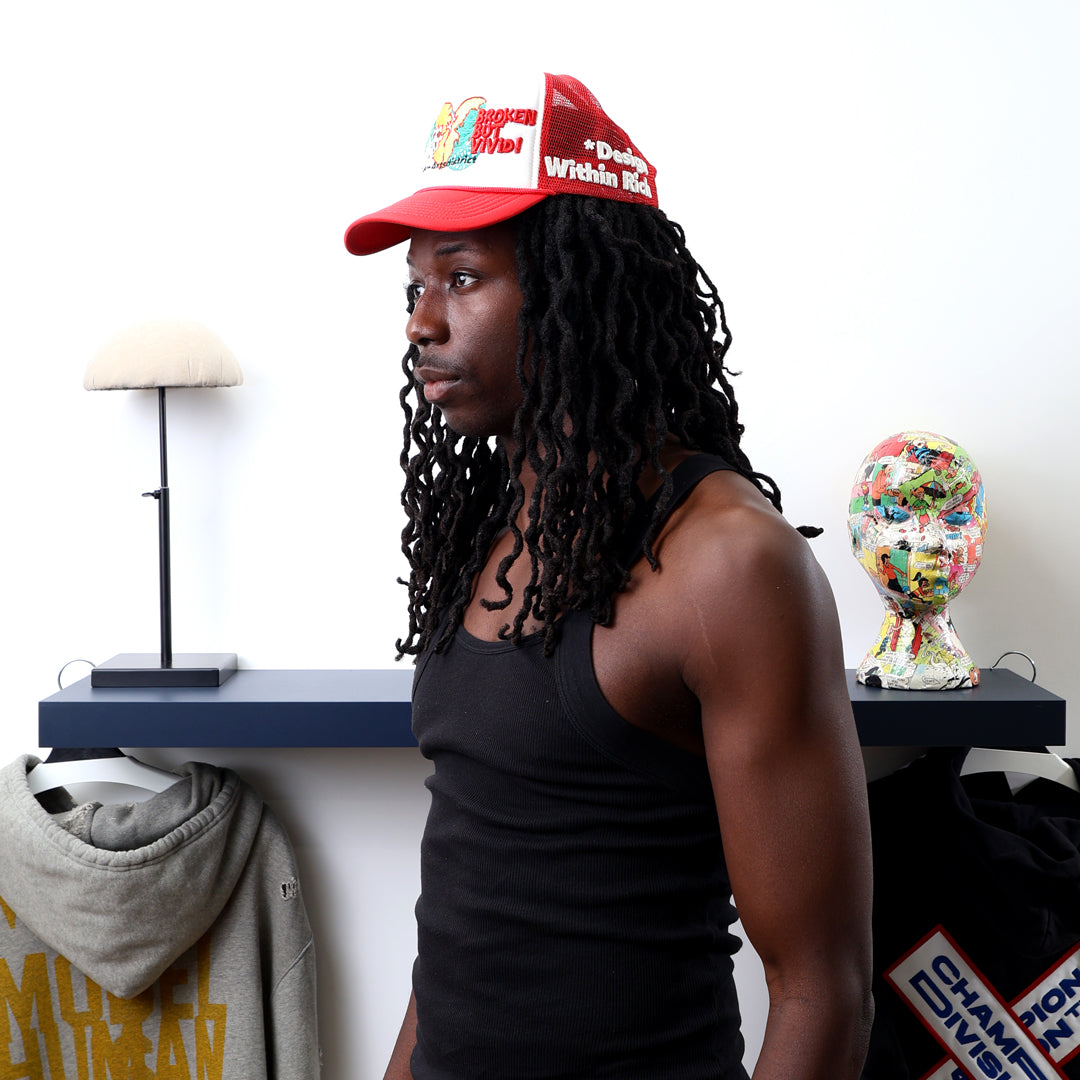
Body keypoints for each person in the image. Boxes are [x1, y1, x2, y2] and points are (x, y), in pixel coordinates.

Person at [345, 73, 873, 1080]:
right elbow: (476, 908)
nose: (423, 322)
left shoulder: (730, 564)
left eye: (461, 277)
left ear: (581, 285)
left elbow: (822, 988)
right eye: (415, 286)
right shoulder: (487, 530)